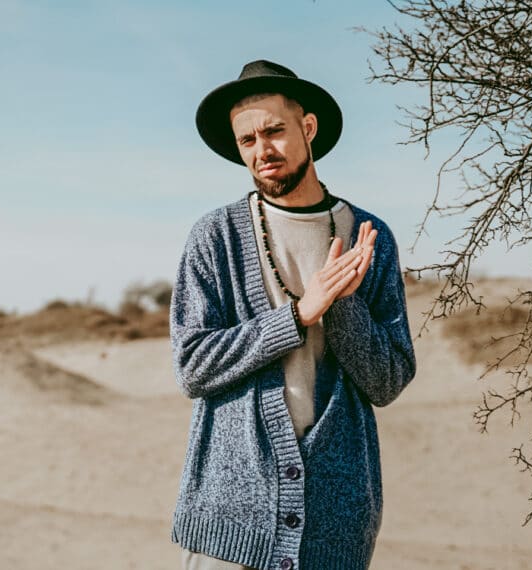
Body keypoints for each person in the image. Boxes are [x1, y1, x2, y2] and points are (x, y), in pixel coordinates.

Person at [169, 60, 417, 570]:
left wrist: (342, 302)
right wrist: (299, 314)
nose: (262, 152)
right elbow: (193, 366)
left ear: (308, 128)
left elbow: (387, 382)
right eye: (248, 141)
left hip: (335, 525)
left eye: (274, 132)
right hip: (231, 525)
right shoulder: (214, 237)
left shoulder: (372, 236)